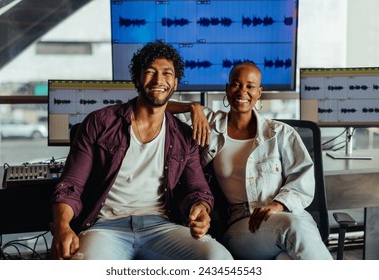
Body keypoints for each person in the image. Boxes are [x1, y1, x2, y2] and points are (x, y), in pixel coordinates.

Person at [50, 41, 233, 260]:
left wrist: (201, 209)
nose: (158, 80)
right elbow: (71, 185)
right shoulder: (100, 123)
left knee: (218, 260)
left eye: (167, 73)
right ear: (137, 80)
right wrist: (62, 226)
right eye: (150, 72)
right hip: (106, 228)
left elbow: (197, 188)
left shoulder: (183, 135)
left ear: (175, 83)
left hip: (161, 227)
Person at [169, 62, 333, 260]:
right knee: (292, 228)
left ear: (259, 92)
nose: (242, 91)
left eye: (250, 86)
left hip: (287, 217)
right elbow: (154, 105)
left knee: (286, 260)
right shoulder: (208, 124)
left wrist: (277, 205)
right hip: (244, 225)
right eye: (236, 84)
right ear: (227, 89)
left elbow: (302, 183)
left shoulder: (281, 134)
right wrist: (192, 107)